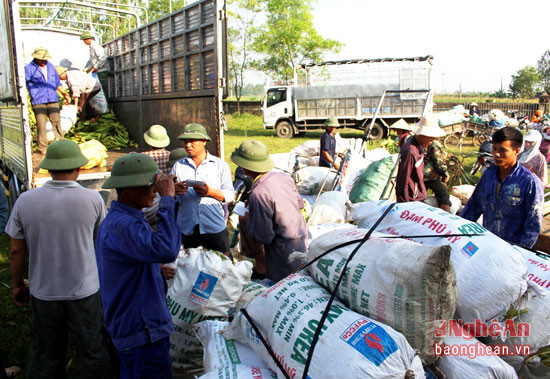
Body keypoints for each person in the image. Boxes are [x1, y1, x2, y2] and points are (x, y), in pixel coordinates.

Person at [5, 140, 112, 378]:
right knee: (92, 350)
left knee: (46, 353)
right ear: (78, 168)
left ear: (50, 169)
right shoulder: (94, 200)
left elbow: (15, 251)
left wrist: (17, 285)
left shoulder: (25, 200)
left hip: (44, 292)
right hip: (85, 290)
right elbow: (101, 242)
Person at [96, 154, 180, 379]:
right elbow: (167, 250)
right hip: (141, 331)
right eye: (150, 185)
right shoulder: (124, 225)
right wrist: (168, 200)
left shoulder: (125, 219)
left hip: (139, 328)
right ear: (127, 189)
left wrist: (153, 270)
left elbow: (134, 259)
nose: (154, 190)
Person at [231, 140, 307, 282]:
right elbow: (299, 204)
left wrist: (252, 216)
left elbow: (263, 237)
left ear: (244, 168)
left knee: (284, 286)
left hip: (282, 251)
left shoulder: (258, 193)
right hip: (301, 238)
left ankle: (261, 267)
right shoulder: (283, 177)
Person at [460, 127, 544, 248]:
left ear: (517, 151)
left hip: (512, 250)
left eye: (503, 150)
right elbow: (472, 208)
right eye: (494, 149)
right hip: (487, 244)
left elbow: (533, 225)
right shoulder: (488, 176)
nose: (497, 154)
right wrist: (459, 234)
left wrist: (521, 251)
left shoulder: (529, 182)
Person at [171, 123, 234, 253]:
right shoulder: (178, 166)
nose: (188, 145)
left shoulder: (219, 165)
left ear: (204, 141)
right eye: (185, 142)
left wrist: (210, 192)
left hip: (214, 225)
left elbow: (230, 195)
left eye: (192, 141)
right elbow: (170, 197)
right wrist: (174, 191)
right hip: (188, 227)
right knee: (190, 266)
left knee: (222, 266)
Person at [25, 46, 71, 154]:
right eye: (41, 59)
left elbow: (57, 83)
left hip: (52, 98)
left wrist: (65, 94)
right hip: (38, 100)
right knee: (41, 125)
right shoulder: (29, 68)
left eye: (45, 59)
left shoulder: (50, 67)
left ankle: (61, 144)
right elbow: (25, 84)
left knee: (56, 122)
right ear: (36, 58)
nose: (43, 61)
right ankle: (42, 148)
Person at [396, 114, 446, 203]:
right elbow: (403, 181)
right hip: (411, 199)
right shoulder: (411, 151)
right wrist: (404, 205)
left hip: (417, 196)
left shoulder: (419, 147)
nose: (431, 142)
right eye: (430, 139)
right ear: (422, 134)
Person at [424, 139, 452, 212]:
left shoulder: (414, 141)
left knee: (420, 197)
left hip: (420, 174)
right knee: (444, 196)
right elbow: (438, 161)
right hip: (430, 175)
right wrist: (444, 173)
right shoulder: (434, 144)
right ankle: (445, 218)